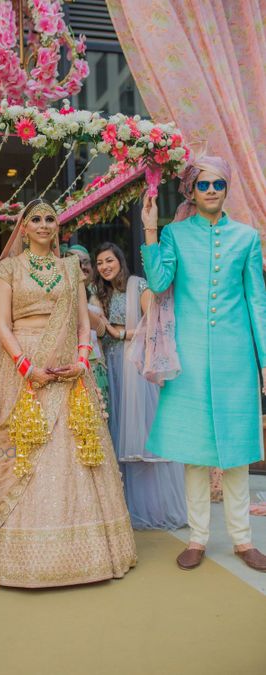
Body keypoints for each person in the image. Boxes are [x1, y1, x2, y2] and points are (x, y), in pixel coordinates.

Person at [0, 199, 137, 588]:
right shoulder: (7, 268)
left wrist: (81, 360)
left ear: (58, 228)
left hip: (67, 364)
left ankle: (90, 553)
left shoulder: (69, 268)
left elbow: (81, 323)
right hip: (21, 363)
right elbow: (2, 324)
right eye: (35, 219)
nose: (44, 224)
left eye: (50, 219)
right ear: (23, 228)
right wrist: (26, 366)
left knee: (74, 447)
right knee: (23, 447)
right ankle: (15, 555)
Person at [141, 155, 266, 570]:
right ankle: (197, 538)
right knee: (194, 452)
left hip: (235, 359)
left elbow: (257, 303)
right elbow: (159, 283)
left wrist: (265, 360)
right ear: (191, 192)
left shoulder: (247, 238)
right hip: (189, 356)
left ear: (226, 189)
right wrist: (150, 229)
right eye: (204, 185)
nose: (212, 191)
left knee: (236, 451)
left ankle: (243, 541)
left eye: (219, 185)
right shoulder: (175, 234)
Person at [92, 242, 187, 530]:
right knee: (118, 435)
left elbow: (154, 325)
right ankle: (126, 507)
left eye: (109, 260)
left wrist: (121, 333)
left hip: (134, 368)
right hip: (112, 369)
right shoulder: (100, 294)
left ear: (120, 260)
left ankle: (156, 509)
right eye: (99, 263)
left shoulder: (139, 285)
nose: (105, 266)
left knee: (143, 437)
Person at [68, 244, 109, 411]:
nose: (83, 267)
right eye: (77, 263)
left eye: (86, 262)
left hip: (97, 365)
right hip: (74, 367)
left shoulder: (97, 294)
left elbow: (102, 330)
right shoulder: (63, 294)